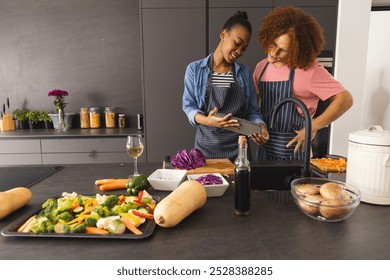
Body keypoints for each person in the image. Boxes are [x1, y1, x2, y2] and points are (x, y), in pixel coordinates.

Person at [253, 6, 353, 160]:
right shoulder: (261, 67)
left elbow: (345, 99)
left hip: (295, 153)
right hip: (264, 153)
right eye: (273, 44)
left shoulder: (310, 71)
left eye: (283, 50)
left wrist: (314, 125)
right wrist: (256, 127)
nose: (274, 53)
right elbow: (254, 107)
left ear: (296, 50)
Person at [182, 11, 269, 161]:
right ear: (223, 35)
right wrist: (207, 120)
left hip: (239, 150)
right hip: (205, 149)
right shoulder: (195, 69)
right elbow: (189, 106)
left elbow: (253, 112)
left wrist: (261, 126)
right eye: (237, 43)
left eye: (244, 48)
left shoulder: (244, 73)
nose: (239, 51)